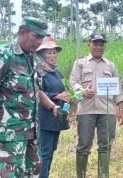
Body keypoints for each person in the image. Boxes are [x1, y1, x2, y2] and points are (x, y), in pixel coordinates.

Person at [0, 17, 60, 177]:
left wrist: (52, 106)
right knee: (7, 174)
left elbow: (36, 89)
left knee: (32, 172)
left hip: (32, 131)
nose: (39, 41)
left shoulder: (34, 59)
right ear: (22, 32)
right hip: (10, 131)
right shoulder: (3, 54)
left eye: (42, 37)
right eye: (35, 36)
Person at [70, 32, 123, 178]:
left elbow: (118, 88)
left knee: (105, 147)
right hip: (86, 110)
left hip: (106, 111)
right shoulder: (80, 63)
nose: (99, 47)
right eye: (95, 43)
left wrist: (120, 108)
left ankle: (103, 175)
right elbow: (74, 81)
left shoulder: (110, 66)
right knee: (83, 146)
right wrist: (82, 91)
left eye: (102, 44)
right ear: (89, 45)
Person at [36, 36, 70, 178]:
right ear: (42, 54)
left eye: (54, 52)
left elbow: (63, 91)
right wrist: (56, 96)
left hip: (57, 118)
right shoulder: (39, 71)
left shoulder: (57, 72)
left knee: (51, 151)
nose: (52, 55)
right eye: (48, 53)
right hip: (45, 119)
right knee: (44, 153)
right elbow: (37, 92)